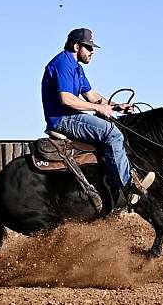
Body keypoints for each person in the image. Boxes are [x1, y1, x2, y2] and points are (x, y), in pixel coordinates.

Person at [41, 28, 154, 204]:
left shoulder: (76, 68)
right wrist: (97, 109)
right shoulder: (63, 63)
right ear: (76, 46)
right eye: (88, 47)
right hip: (62, 119)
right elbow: (66, 99)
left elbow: (92, 96)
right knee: (113, 133)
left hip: (71, 116)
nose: (92, 51)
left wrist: (116, 106)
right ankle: (128, 186)